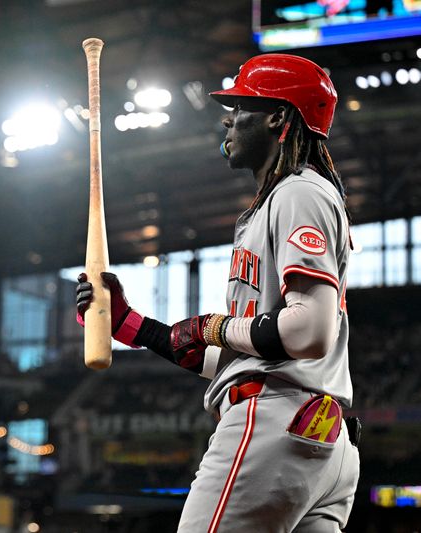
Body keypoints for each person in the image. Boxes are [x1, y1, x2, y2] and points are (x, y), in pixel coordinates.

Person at [76, 53, 359, 533]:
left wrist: (211, 326)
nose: (228, 118)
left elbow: (309, 331)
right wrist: (131, 324)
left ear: (277, 115)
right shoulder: (288, 198)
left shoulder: (298, 191)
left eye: (241, 105)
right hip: (316, 436)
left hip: (274, 421)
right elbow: (242, 356)